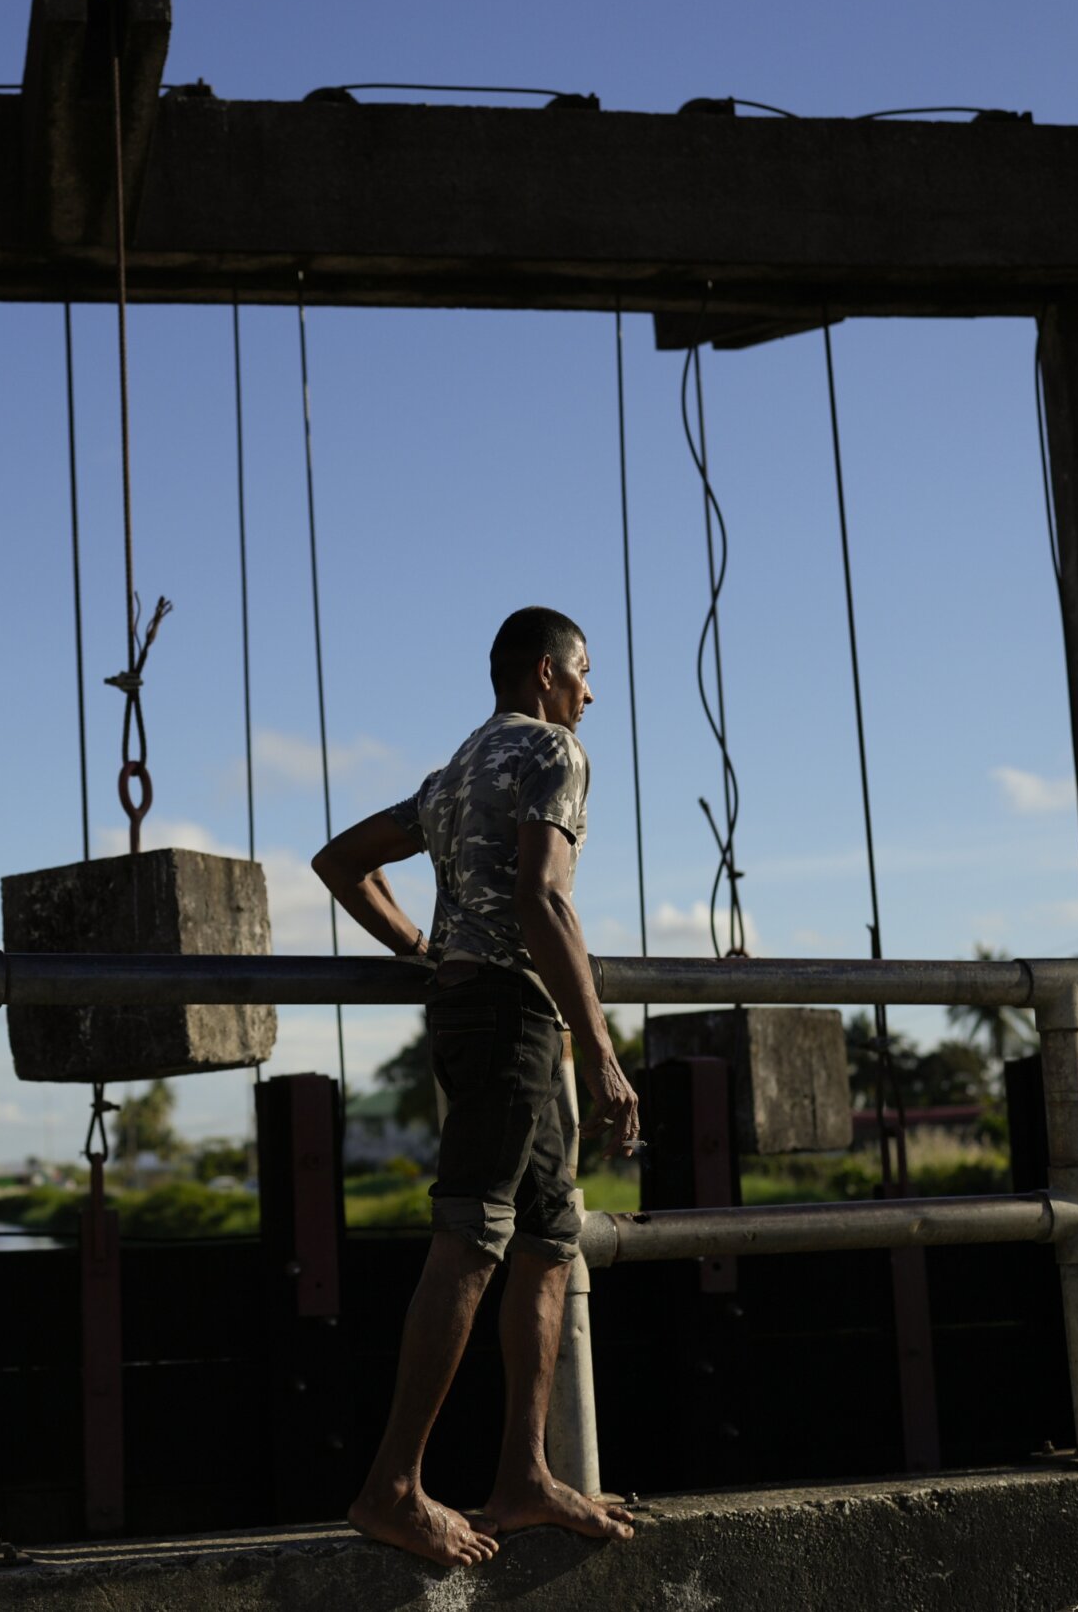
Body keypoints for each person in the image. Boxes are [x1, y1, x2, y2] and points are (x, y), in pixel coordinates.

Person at [310, 605, 644, 1566]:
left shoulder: (456, 770)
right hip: (512, 1019)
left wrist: (423, 947)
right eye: (583, 674)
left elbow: (340, 863)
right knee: (471, 1240)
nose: (591, 694)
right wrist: (606, 1054)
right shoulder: (553, 752)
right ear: (546, 673)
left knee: (546, 1241)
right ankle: (392, 1489)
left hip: (477, 1011)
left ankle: (522, 1478)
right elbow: (544, 899)